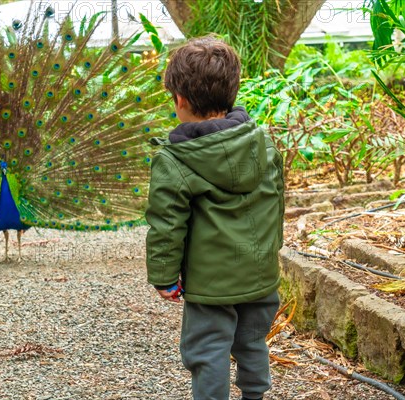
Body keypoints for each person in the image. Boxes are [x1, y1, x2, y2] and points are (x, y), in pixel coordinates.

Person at [145, 36, 285, 400]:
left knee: (208, 351)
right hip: (260, 275)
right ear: (231, 92)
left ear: (180, 100)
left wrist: (163, 276)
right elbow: (274, 204)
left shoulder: (174, 160)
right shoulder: (264, 143)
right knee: (252, 341)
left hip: (211, 287)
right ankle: (255, 396)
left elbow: (166, 224)